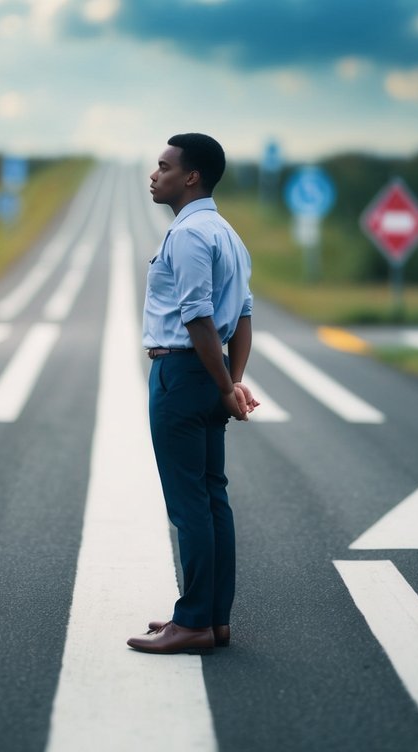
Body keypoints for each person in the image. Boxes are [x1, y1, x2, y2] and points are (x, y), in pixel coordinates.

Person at [128, 133, 258, 655]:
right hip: (210, 371)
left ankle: (195, 623)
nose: (154, 175)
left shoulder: (186, 236)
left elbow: (197, 316)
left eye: (163, 166)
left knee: (189, 506)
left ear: (192, 177)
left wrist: (227, 386)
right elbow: (244, 315)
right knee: (212, 498)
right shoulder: (227, 233)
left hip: (181, 375)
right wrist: (232, 379)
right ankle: (213, 619)